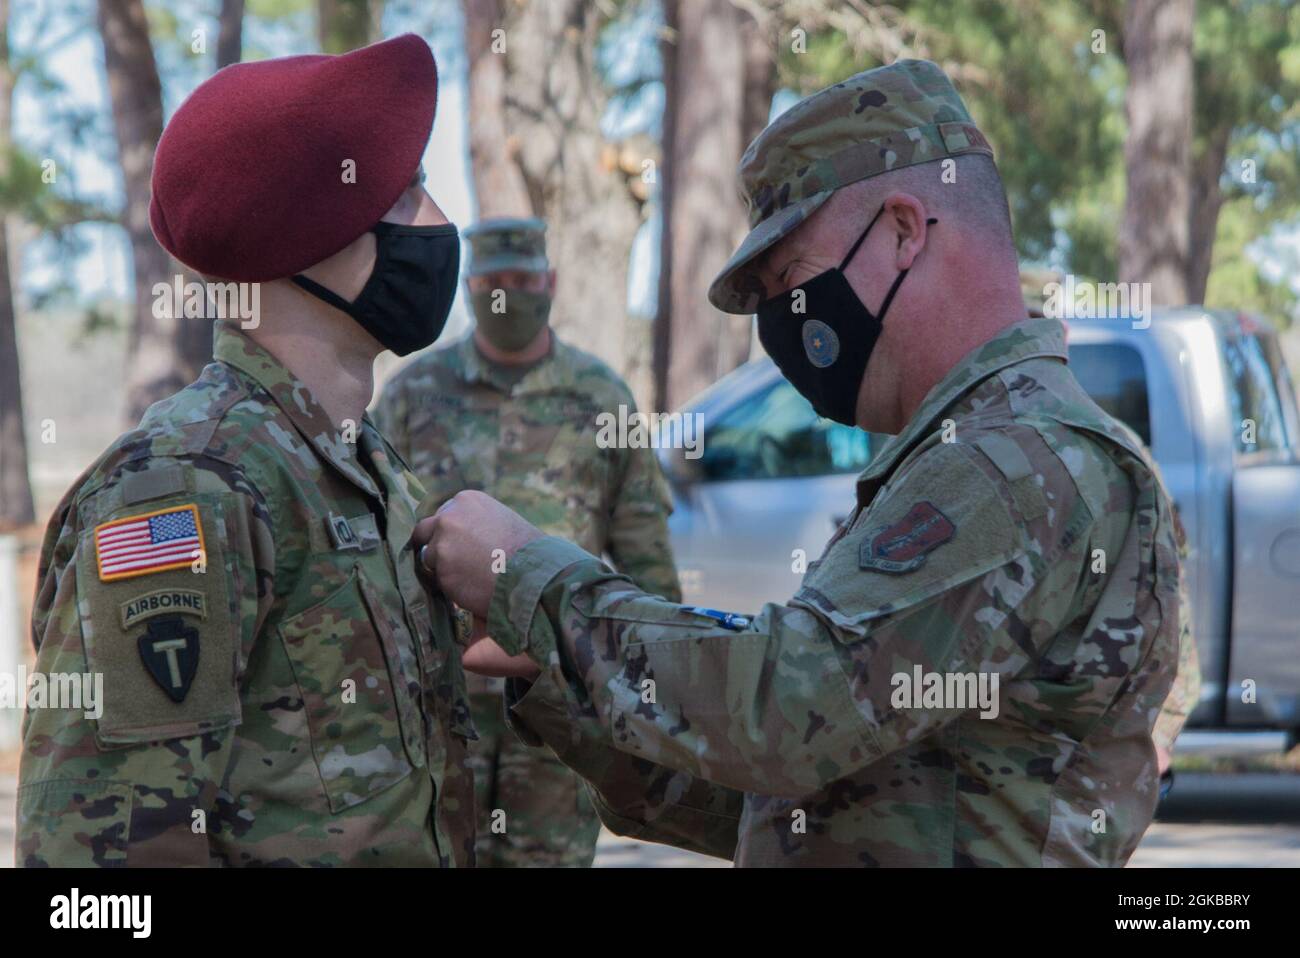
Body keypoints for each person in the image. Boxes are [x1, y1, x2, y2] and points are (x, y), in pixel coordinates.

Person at [420, 59, 1187, 866]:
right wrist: (561, 672)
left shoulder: (1021, 457)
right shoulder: (955, 454)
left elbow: (788, 709)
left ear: (902, 230)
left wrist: (530, 580)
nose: (787, 324)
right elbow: (787, 796)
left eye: (792, 280)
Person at [17, 35, 478, 867]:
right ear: (309, 235)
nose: (441, 223)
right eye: (409, 190)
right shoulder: (187, 488)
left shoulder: (360, 464)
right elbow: (101, 872)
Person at [373, 217, 681, 867]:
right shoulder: (412, 393)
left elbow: (645, 552)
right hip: (438, 703)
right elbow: (374, 544)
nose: (507, 294)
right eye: (491, 282)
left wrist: (646, 687)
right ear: (469, 290)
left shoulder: (600, 397)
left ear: (551, 283)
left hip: (554, 703)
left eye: (522, 279)